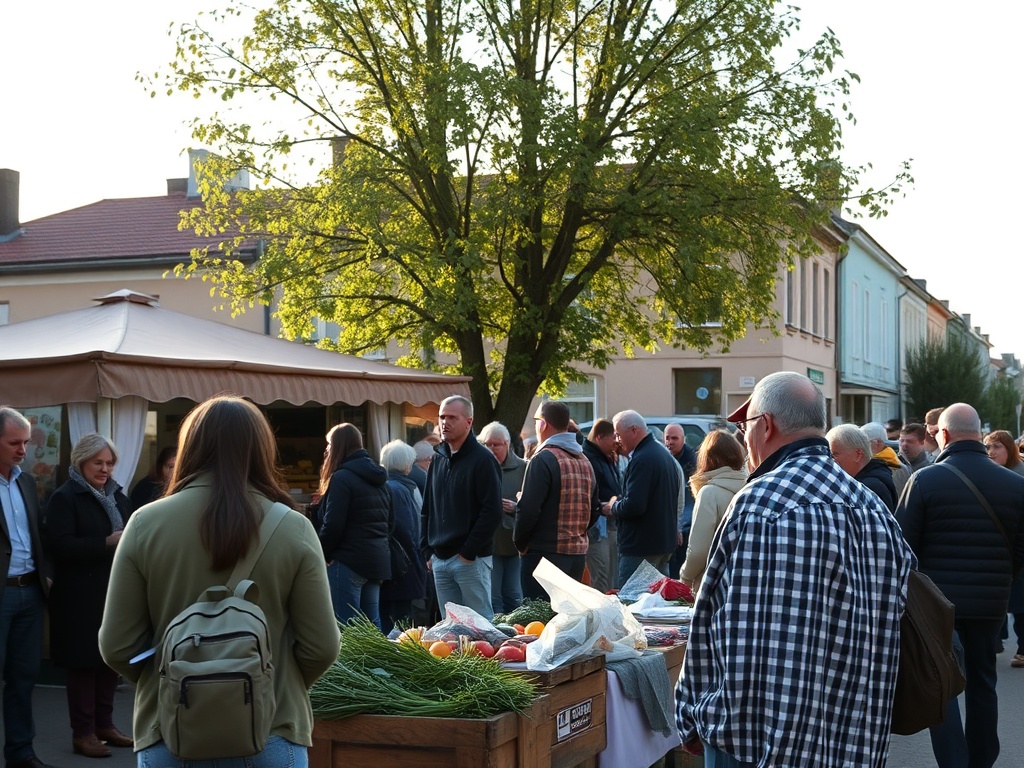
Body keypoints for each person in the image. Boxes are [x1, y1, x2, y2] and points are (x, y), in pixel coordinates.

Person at [676, 372, 915, 767]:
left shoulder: (759, 504)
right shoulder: (872, 508)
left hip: (757, 743)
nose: (744, 438)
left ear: (765, 426)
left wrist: (691, 716)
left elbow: (714, 623)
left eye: (745, 426)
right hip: (853, 740)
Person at [98, 395, 340, 767]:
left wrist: (178, 679)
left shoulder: (144, 524)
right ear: (261, 450)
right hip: (271, 729)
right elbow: (322, 645)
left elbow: (116, 644)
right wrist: (262, 682)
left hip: (170, 729)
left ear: (189, 447)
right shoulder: (294, 528)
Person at [895, 403, 1024, 768]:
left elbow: (904, 545)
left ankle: (954, 762)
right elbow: (1020, 550)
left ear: (945, 434)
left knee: (941, 683)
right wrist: (1003, 579)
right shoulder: (1016, 484)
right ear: (980, 434)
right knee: (984, 683)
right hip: (990, 602)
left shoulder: (926, 480)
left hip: (938, 606)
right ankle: (982, 760)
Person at [43, 433, 134, 758]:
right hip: (77, 597)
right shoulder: (65, 497)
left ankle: (104, 725)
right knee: (83, 665)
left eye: (109, 463)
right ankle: (83, 733)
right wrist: (106, 543)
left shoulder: (117, 496)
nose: (105, 469)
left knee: (108, 659)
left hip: (112, 592)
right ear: (81, 461)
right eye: (98, 462)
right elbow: (60, 545)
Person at [0, 407, 55, 768]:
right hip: (3, 593)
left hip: (29, 592)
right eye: (14, 443)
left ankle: (21, 753)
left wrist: (44, 575)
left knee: (24, 679)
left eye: (26, 443)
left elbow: (37, 535)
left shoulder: (23, 481)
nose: (23, 450)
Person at [420, 395, 502, 619]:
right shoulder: (438, 458)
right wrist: (427, 550)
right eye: (442, 417)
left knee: (480, 627)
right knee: (451, 631)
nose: (445, 422)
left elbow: (492, 511)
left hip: (470, 560)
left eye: (452, 417)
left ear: (468, 422)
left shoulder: (483, 460)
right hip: (440, 558)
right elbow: (427, 507)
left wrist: (468, 552)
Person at [514, 401, 599, 598]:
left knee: (539, 621)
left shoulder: (542, 459)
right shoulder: (584, 460)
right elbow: (594, 508)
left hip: (543, 554)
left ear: (542, 425)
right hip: (576, 555)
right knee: (567, 620)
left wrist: (521, 544)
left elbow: (528, 509)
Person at [316, 423, 392, 628]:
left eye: (330, 445)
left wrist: (322, 553)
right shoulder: (379, 478)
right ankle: (377, 662)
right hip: (376, 561)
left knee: (345, 626)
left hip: (347, 561)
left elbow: (333, 524)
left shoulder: (342, 477)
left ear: (339, 446)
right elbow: (390, 522)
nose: (327, 451)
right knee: (372, 626)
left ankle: (349, 663)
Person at [608, 410, 680, 587]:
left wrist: (613, 507)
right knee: (656, 605)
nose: (617, 440)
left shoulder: (643, 459)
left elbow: (634, 505)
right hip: (662, 544)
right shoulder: (662, 454)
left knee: (632, 606)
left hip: (641, 547)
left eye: (618, 434)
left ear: (633, 430)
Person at [678, 430, 747, 592]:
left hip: (713, 585)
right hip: (742, 581)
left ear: (708, 458)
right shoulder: (749, 487)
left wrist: (685, 577)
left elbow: (698, 551)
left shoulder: (709, 493)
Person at [982, 430, 1024, 669]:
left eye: (997, 447)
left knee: (1019, 604)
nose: (991, 452)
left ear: (1010, 448)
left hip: (1018, 547)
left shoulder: (1020, 474)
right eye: (988, 447)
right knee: (997, 598)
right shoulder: (991, 473)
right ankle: (996, 640)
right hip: (997, 547)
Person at [378, 440, 427, 634]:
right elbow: (408, 530)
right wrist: (418, 560)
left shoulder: (387, 486)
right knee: (398, 624)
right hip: (402, 566)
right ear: (407, 464)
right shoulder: (402, 489)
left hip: (390, 565)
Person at [479, 422, 526, 615]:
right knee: (493, 596)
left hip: (515, 542)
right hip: (490, 542)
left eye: (496, 445)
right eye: (487, 444)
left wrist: (516, 508)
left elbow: (532, 504)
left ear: (507, 444)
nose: (491, 449)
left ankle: (518, 636)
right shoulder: (480, 468)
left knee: (514, 595)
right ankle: (499, 634)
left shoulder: (524, 468)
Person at [582, 420, 621, 594]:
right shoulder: (588, 458)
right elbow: (588, 493)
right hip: (597, 527)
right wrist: (601, 506)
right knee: (601, 575)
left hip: (609, 524)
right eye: (613, 437)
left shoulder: (607, 456)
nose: (616, 441)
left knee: (610, 575)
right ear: (599, 437)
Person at [828, 424, 897, 511]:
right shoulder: (872, 480)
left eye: (835, 455)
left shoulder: (869, 488)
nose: (831, 460)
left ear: (858, 454)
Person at [663, 423, 697, 580]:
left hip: (685, 524)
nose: (670, 442)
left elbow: (690, 498)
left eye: (674, 438)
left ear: (683, 439)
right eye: (667, 438)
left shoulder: (692, 461)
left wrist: (680, 526)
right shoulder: (663, 457)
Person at [861, 421, 910, 498]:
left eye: (864, 443)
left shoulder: (896, 467)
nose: (861, 447)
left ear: (878, 443)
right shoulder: (866, 463)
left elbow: (899, 502)